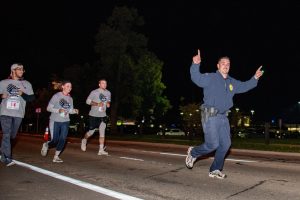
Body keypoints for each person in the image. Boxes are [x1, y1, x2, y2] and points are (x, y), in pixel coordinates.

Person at [185, 49, 263, 179]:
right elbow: (196, 78)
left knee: (226, 145)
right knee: (212, 144)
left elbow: (245, 86)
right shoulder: (211, 77)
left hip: (223, 116)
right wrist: (195, 64)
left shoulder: (232, 82)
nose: (226, 65)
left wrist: (255, 77)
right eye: (223, 63)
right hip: (209, 113)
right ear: (218, 66)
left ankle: (215, 169)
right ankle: (193, 152)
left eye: (228, 64)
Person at [0, 63, 35, 166]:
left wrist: (22, 94)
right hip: (5, 112)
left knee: (12, 135)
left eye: (22, 69)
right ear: (13, 70)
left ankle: (3, 150)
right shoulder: (3, 83)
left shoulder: (26, 84)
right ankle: (7, 158)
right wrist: (2, 95)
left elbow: (32, 98)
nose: (21, 71)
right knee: (6, 134)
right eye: (19, 69)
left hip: (18, 113)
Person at [41, 80, 79, 163]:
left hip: (65, 120)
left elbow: (69, 110)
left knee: (63, 139)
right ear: (63, 87)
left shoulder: (70, 98)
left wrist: (74, 111)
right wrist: (59, 110)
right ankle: (47, 144)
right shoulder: (56, 96)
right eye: (68, 86)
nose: (70, 88)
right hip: (55, 120)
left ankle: (56, 156)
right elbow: (48, 108)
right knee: (55, 140)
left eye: (71, 87)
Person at [81, 79, 111, 155]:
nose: (105, 84)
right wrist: (97, 104)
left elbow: (108, 101)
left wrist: (108, 103)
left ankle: (101, 150)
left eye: (105, 83)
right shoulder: (94, 92)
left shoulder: (108, 93)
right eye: (103, 83)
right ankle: (84, 140)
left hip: (103, 115)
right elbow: (87, 101)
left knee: (102, 132)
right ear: (99, 84)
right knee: (91, 132)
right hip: (93, 115)